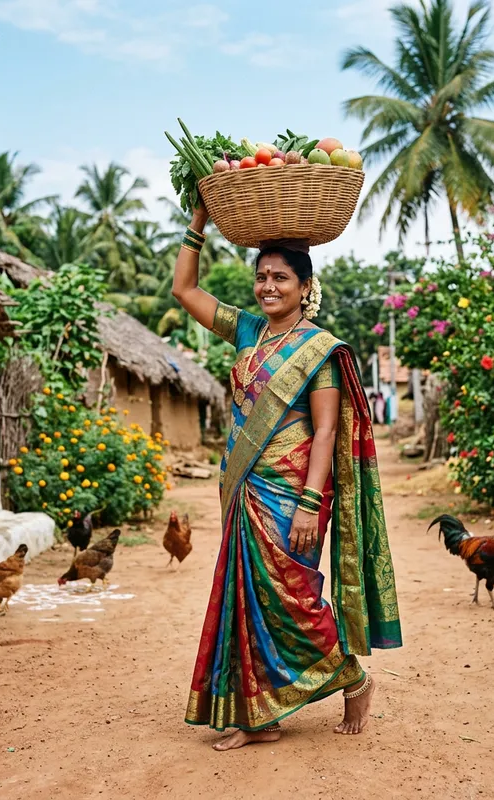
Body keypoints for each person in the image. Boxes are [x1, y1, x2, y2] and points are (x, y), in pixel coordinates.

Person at [172, 202, 402, 752]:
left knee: (292, 600)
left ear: (304, 287)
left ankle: (353, 679)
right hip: (244, 487)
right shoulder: (248, 331)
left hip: (292, 493)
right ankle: (261, 717)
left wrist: (308, 502)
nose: (267, 287)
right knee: (251, 602)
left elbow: (325, 432)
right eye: (261, 277)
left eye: (280, 278)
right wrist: (199, 221)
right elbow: (184, 289)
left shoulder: (319, 350)